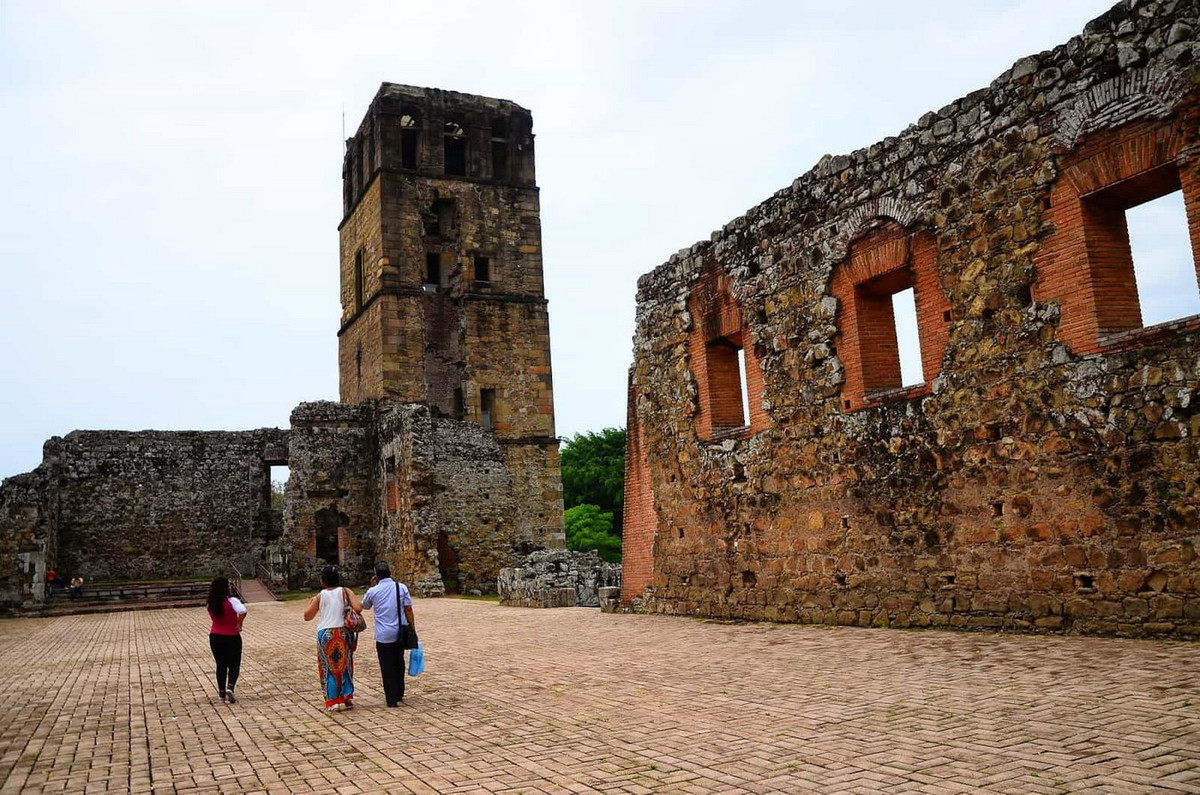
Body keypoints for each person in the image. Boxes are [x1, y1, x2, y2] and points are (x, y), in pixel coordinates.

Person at [303, 566, 363, 713]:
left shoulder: (320, 596)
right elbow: (359, 607)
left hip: (326, 633)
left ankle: (332, 701)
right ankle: (347, 695)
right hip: (343, 632)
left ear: (323, 581)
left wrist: (310, 602)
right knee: (346, 664)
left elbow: (307, 616)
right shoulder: (345, 591)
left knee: (328, 667)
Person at [360, 561, 417, 707]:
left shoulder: (373, 591)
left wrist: (372, 586)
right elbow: (408, 609)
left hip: (383, 635)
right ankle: (399, 693)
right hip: (399, 632)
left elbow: (364, 606)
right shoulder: (401, 587)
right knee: (399, 662)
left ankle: (391, 698)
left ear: (376, 576)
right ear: (390, 572)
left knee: (387, 666)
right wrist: (412, 629)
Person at [206, 576, 247, 704]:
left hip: (215, 636)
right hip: (231, 635)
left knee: (221, 664)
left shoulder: (210, 604)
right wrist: (239, 623)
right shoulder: (232, 601)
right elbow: (243, 611)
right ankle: (230, 686)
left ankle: (221, 693)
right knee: (234, 663)